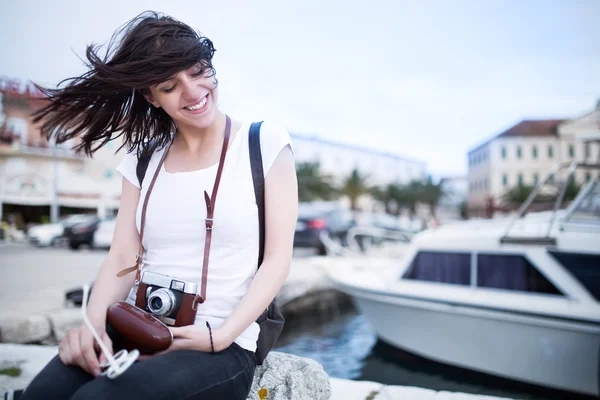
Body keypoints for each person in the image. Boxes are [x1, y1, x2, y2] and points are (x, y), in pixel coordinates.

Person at [22, 11, 298, 400]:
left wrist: (220, 335)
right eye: (170, 85)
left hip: (220, 343)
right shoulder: (142, 161)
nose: (192, 91)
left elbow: (277, 261)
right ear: (151, 97)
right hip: (137, 324)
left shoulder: (263, 143)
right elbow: (123, 253)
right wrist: (94, 324)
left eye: (198, 71)